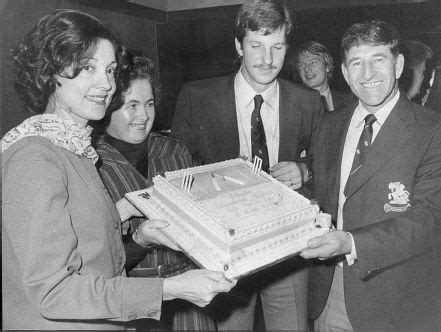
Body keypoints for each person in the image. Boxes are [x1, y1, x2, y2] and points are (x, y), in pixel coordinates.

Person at [2, 9, 235, 330]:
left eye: (110, 70)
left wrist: (123, 216)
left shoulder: (72, 149)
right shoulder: (34, 156)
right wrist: (171, 288)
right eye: (87, 67)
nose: (106, 84)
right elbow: (54, 292)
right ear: (49, 73)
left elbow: (93, 254)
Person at [170, 1, 324, 330]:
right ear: (239, 45)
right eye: (256, 46)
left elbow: (327, 165)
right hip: (225, 255)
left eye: (277, 47)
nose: (267, 60)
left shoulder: (309, 102)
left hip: (289, 252)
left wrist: (304, 171)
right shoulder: (197, 97)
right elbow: (176, 176)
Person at [301, 20, 441, 330]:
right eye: (357, 63)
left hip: (398, 301)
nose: (368, 73)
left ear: (398, 65)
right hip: (330, 293)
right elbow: (319, 193)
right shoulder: (329, 125)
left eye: (379, 60)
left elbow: (430, 219)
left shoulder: (437, 131)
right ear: (345, 72)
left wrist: (350, 243)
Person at [95, 54, 216, 330]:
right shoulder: (92, 164)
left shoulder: (175, 151)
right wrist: (140, 239)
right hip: (131, 304)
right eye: (132, 106)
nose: (144, 116)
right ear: (108, 107)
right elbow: (95, 264)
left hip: (189, 297)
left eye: (149, 104)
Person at [295, 40, 355, 111]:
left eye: (313, 62)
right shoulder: (293, 106)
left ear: (327, 67)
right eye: (301, 65)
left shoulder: (350, 103)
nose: (307, 69)